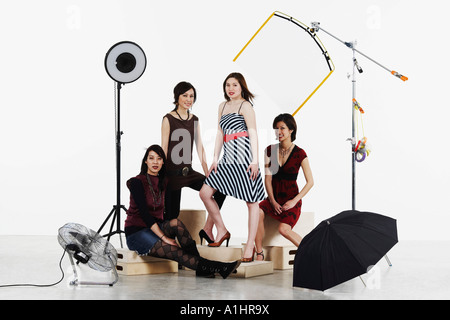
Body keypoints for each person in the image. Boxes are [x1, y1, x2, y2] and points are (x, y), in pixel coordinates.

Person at [124, 145, 240, 278]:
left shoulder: (164, 182)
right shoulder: (136, 182)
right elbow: (145, 215)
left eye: (159, 158)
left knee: (176, 223)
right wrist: (165, 238)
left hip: (155, 229)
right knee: (174, 250)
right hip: (137, 233)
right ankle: (220, 267)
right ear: (146, 161)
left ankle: (201, 269)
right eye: (151, 158)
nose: (155, 162)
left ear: (163, 162)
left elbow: (168, 213)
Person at [200, 72, 265, 262]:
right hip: (227, 158)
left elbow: (253, 133)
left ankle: (250, 246)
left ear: (241, 87)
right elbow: (220, 134)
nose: (231, 88)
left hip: (244, 157)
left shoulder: (246, 106)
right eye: (228, 85)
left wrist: (255, 161)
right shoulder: (222, 106)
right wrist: (214, 159)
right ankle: (221, 229)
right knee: (205, 193)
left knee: (252, 202)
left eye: (235, 85)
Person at [161, 81, 226, 245]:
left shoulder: (194, 119)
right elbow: (163, 149)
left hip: (188, 172)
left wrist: (207, 174)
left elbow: (200, 148)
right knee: (171, 216)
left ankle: (207, 228)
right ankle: (173, 249)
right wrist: (160, 177)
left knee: (220, 190)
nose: (189, 99)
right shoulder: (168, 119)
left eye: (191, 96)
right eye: (185, 95)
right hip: (171, 174)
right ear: (177, 97)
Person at [255, 114, 314, 260]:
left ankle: (311, 253)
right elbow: (268, 179)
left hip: (290, 200)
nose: (278, 132)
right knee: (257, 211)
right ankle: (259, 253)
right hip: (273, 198)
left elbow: (310, 182)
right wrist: (272, 201)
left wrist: (295, 201)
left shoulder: (300, 154)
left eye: (282, 128)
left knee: (283, 229)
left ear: (291, 130)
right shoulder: (270, 151)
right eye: (276, 128)